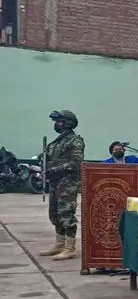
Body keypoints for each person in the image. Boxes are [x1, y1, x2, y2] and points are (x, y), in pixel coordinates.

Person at [39, 110, 85, 261]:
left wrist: (54, 169)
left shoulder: (75, 141)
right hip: (55, 183)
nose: (56, 124)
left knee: (66, 214)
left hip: (67, 183)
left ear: (67, 123)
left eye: (58, 121)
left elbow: (75, 163)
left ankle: (70, 247)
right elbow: (50, 158)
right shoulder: (56, 142)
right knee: (54, 214)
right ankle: (59, 243)